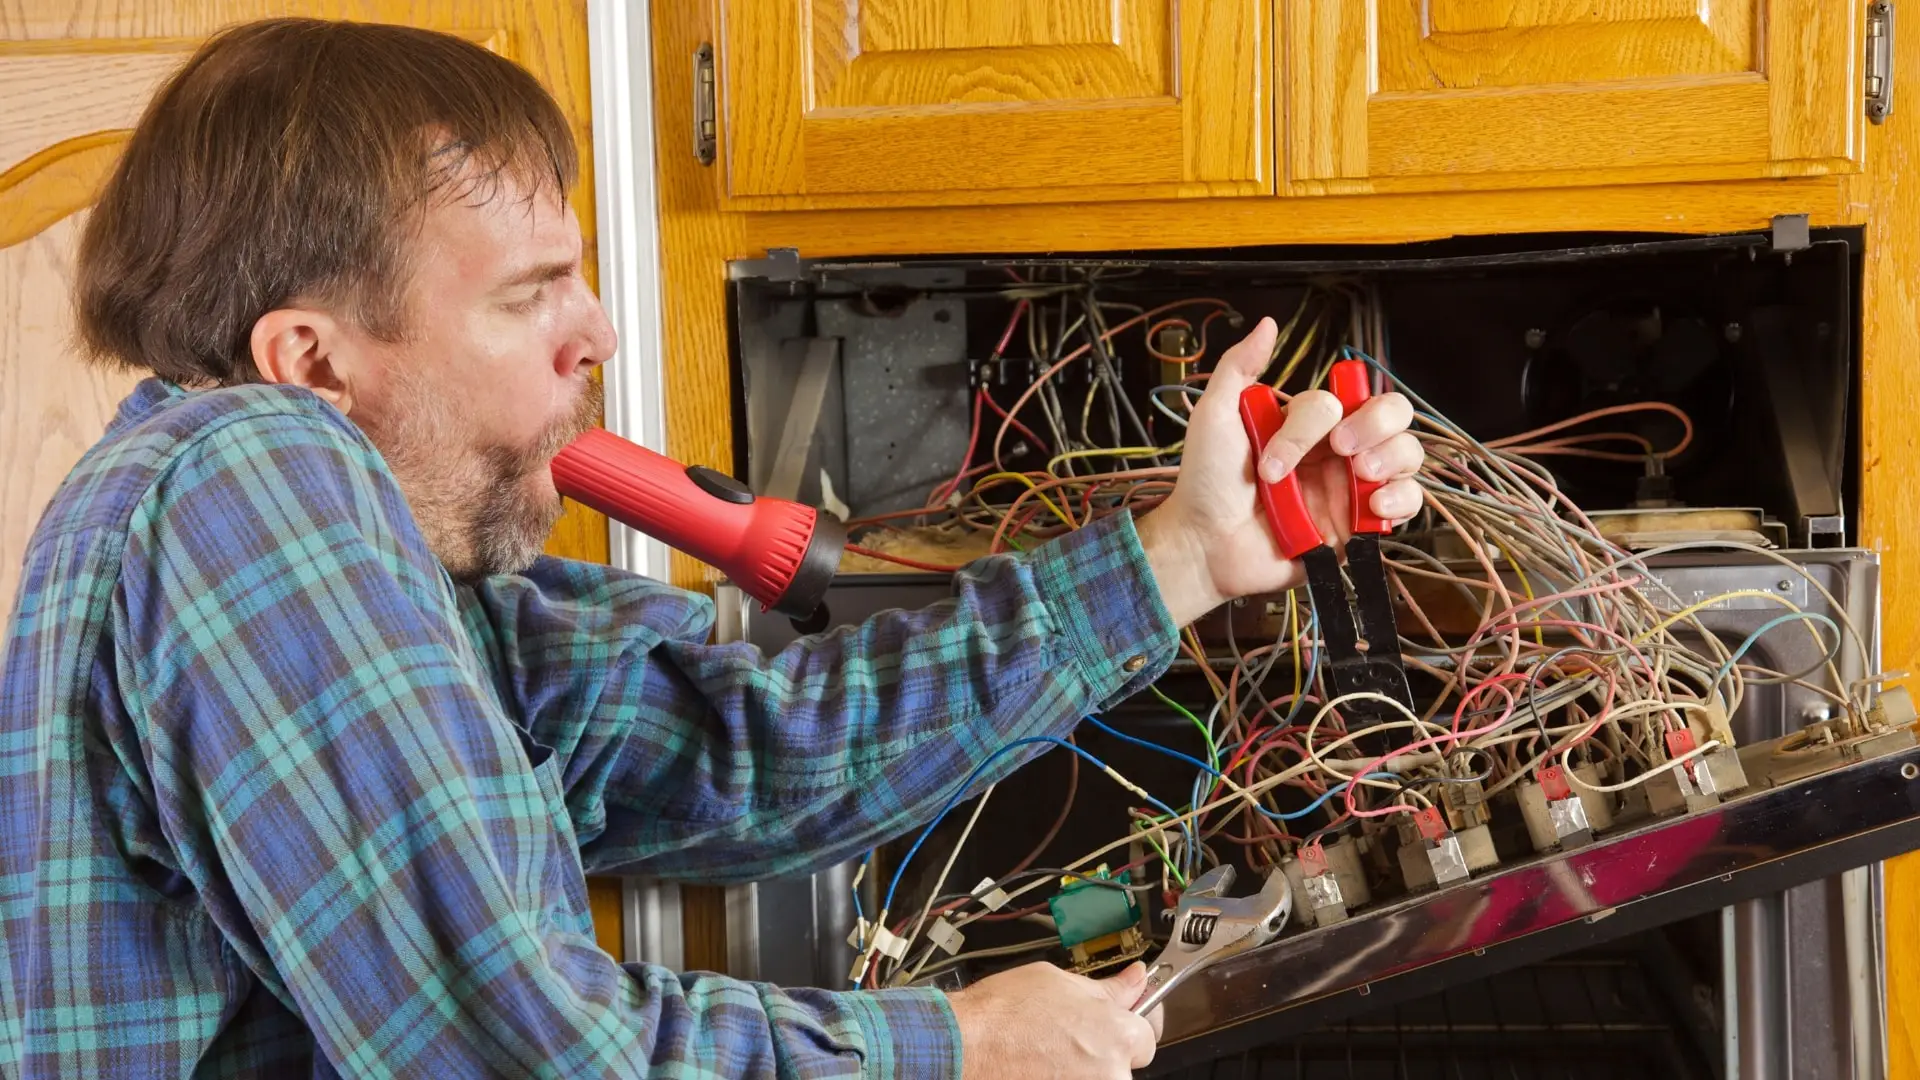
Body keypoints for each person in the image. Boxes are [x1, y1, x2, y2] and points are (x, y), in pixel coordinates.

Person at [0, 18, 1423, 1080]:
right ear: (311, 358)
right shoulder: (253, 476)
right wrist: (952, 1047)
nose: (599, 334)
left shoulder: (414, 581)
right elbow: (506, 1044)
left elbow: (748, 747)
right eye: (531, 295)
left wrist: (1188, 553)